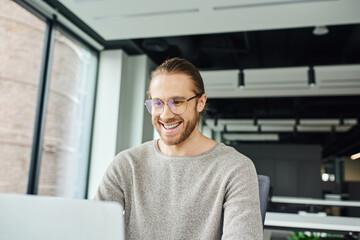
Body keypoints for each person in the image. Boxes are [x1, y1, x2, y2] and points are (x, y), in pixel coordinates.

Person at [94, 57, 263, 239]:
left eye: (178, 102)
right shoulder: (127, 164)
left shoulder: (235, 168)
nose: (166, 115)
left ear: (200, 102)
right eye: (157, 103)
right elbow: (91, 228)